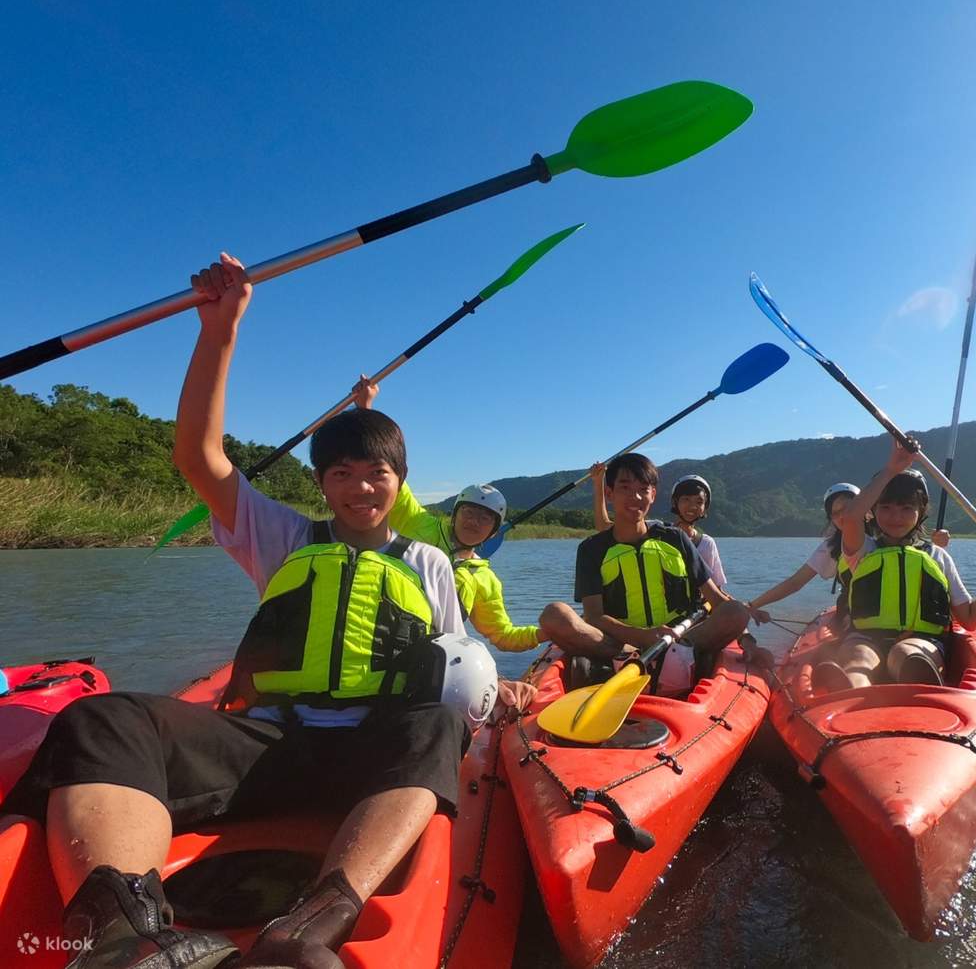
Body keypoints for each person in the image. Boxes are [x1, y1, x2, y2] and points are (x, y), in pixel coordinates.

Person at [1, 253, 532, 969]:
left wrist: (506, 692)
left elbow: (456, 666)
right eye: (340, 472)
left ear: (399, 481)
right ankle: (126, 932)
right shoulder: (284, 537)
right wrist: (218, 331)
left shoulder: (429, 563)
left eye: (375, 471)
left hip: (371, 760)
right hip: (265, 747)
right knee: (103, 716)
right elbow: (198, 455)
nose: (358, 485)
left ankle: (314, 919)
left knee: (435, 724)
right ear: (322, 484)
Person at [813, 439, 976, 691]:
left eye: (906, 508)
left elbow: (969, 618)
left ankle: (917, 691)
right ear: (873, 510)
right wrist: (891, 469)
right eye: (886, 507)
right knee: (860, 657)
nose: (896, 517)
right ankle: (852, 692)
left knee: (907, 653)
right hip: (866, 637)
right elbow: (850, 517)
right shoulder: (862, 550)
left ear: (920, 512)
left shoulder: (937, 556)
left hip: (921, 640)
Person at [352, 376, 543, 652]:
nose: (474, 521)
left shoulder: (485, 580)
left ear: (493, 530)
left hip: (425, 658)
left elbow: (503, 635)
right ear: (455, 514)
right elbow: (384, 469)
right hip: (372, 635)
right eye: (469, 512)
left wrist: (547, 633)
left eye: (485, 518)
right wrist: (365, 409)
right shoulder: (415, 521)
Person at [539, 452, 753, 696]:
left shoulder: (675, 538)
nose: (636, 496)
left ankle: (682, 660)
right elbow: (594, 616)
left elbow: (717, 600)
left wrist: (747, 639)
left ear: (653, 494)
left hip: (679, 642)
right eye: (625, 487)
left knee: (737, 611)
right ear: (609, 493)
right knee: (554, 614)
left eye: (644, 488)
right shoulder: (591, 549)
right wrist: (641, 638)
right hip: (619, 644)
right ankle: (623, 661)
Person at [746, 482, 863, 621]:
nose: (843, 516)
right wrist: (752, 605)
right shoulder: (831, 547)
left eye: (848, 508)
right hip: (851, 611)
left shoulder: (883, 535)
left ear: (864, 505)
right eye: (836, 513)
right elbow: (795, 582)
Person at [594, 468, 728, 589]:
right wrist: (599, 481)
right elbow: (604, 526)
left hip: (695, 613)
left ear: (705, 507)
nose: (692, 506)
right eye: (686, 499)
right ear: (675, 502)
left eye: (699, 502)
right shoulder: (655, 529)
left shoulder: (706, 543)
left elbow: (717, 588)